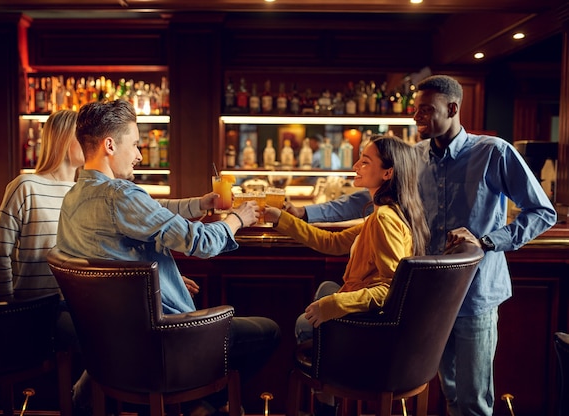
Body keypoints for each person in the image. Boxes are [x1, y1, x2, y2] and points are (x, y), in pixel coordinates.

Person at [285, 75, 558, 416]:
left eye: (426, 111)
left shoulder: (493, 152)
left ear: (453, 108)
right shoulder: (413, 155)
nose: (416, 118)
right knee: (448, 392)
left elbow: (542, 212)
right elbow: (363, 199)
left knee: (473, 400)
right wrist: (305, 212)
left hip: (477, 293)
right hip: (427, 299)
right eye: (416, 110)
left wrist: (487, 241)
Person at [56, 99, 281, 415]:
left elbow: (143, 217)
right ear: (109, 145)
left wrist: (199, 206)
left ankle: (196, 406)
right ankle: (201, 404)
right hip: (162, 340)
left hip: (111, 346)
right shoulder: (120, 195)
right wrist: (239, 219)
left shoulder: (75, 195)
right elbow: (200, 242)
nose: (139, 155)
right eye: (134, 144)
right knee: (268, 331)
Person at [264, 134, 430, 414]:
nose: (355, 166)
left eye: (365, 161)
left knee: (305, 322)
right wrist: (282, 220)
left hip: (374, 331)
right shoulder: (389, 212)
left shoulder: (384, 220)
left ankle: (327, 402)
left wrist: (334, 305)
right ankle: (328, 395)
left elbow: (393, 287)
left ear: (388, 172)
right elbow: (332, 242)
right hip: (386, 326)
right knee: (326, 288)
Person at [0, 109, 84, 301]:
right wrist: (7, 306)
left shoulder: (84, 193)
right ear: (63, 139)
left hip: (74, 309)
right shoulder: (25, 186)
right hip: (31, 309)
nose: (90, 142)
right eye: (82, 136)